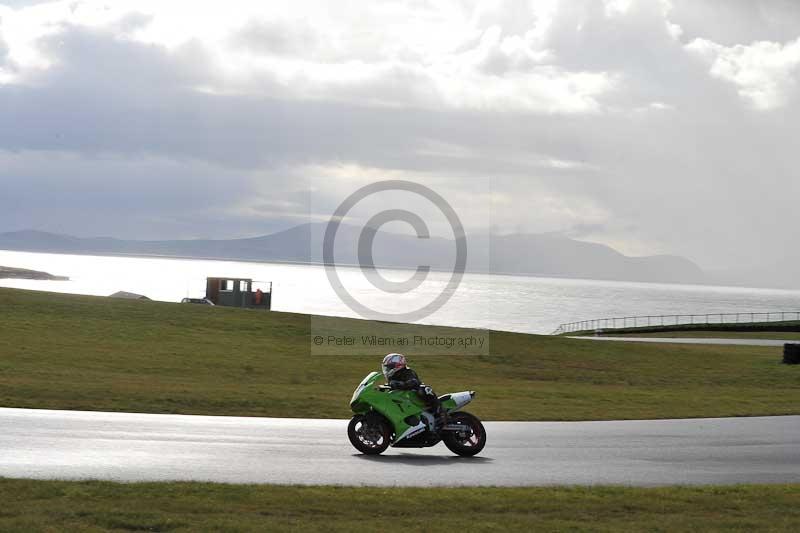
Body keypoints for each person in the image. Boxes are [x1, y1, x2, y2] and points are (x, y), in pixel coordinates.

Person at [381, 353, 445, 425]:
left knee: (425, 389)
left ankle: (440, 412)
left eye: (389, 367)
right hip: (403, 399)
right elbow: (391, 386)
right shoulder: (392, 376)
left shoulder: (408, 372)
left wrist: (400, 384)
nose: (387, 370)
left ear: (398, 365)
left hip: (413, 394)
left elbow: (414, 382)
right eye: (386, 368)